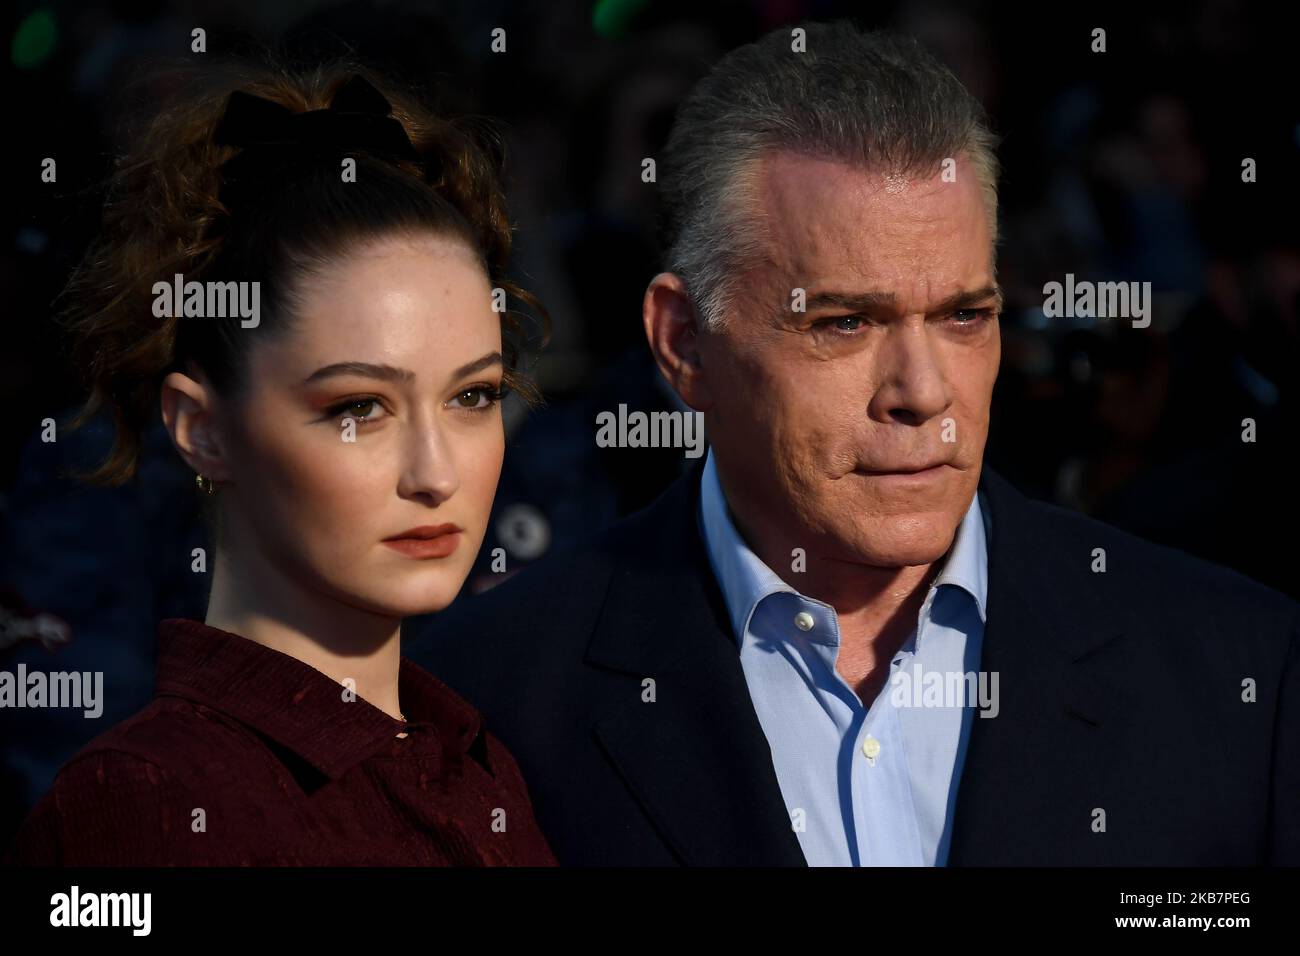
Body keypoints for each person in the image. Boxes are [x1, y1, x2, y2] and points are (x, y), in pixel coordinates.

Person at [406, 22, 1300, 865]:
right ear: (684, 343)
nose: (922, 393)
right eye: (842, 323)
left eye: (963, 316)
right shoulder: (486, 701)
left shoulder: (1239, 673)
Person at [4, 58, 555, 866]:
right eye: (358, 407)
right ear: (201, 429)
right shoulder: (140, 808)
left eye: (472, 397)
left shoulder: (483, 767)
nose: (435, 473)